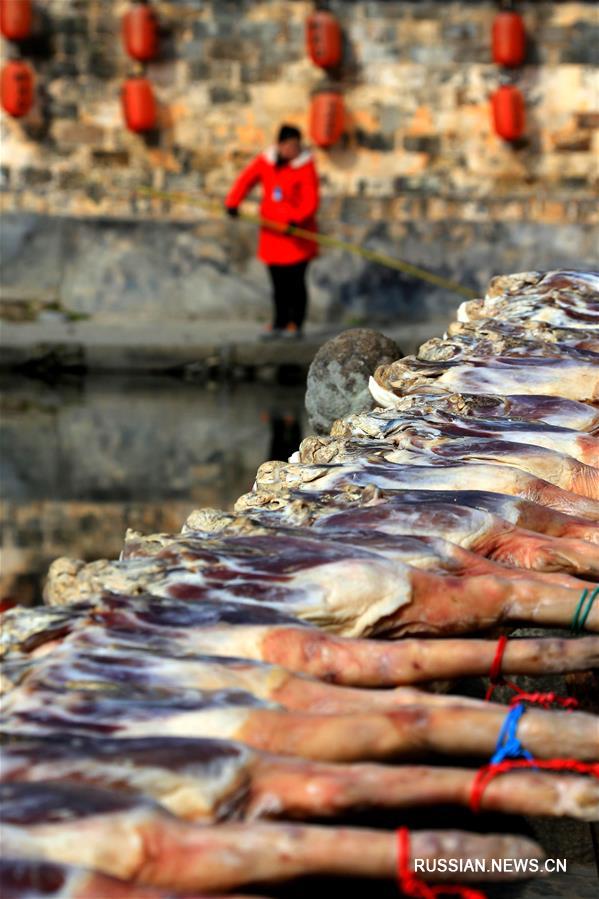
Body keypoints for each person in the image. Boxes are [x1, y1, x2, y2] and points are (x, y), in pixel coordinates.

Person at [225, 124, 320, 339]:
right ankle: (279, 322)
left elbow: (310, 200)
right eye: (289, 145)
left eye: (296, 145)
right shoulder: (266, 162)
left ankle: (296, 324)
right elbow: (246, 180)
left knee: (296, 282)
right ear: (280, 145)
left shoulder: (306, 166)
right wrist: (233, 202)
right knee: (278, 284)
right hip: (272, 235)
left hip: (297, 236)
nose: (292, 150)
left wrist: (297, 220)